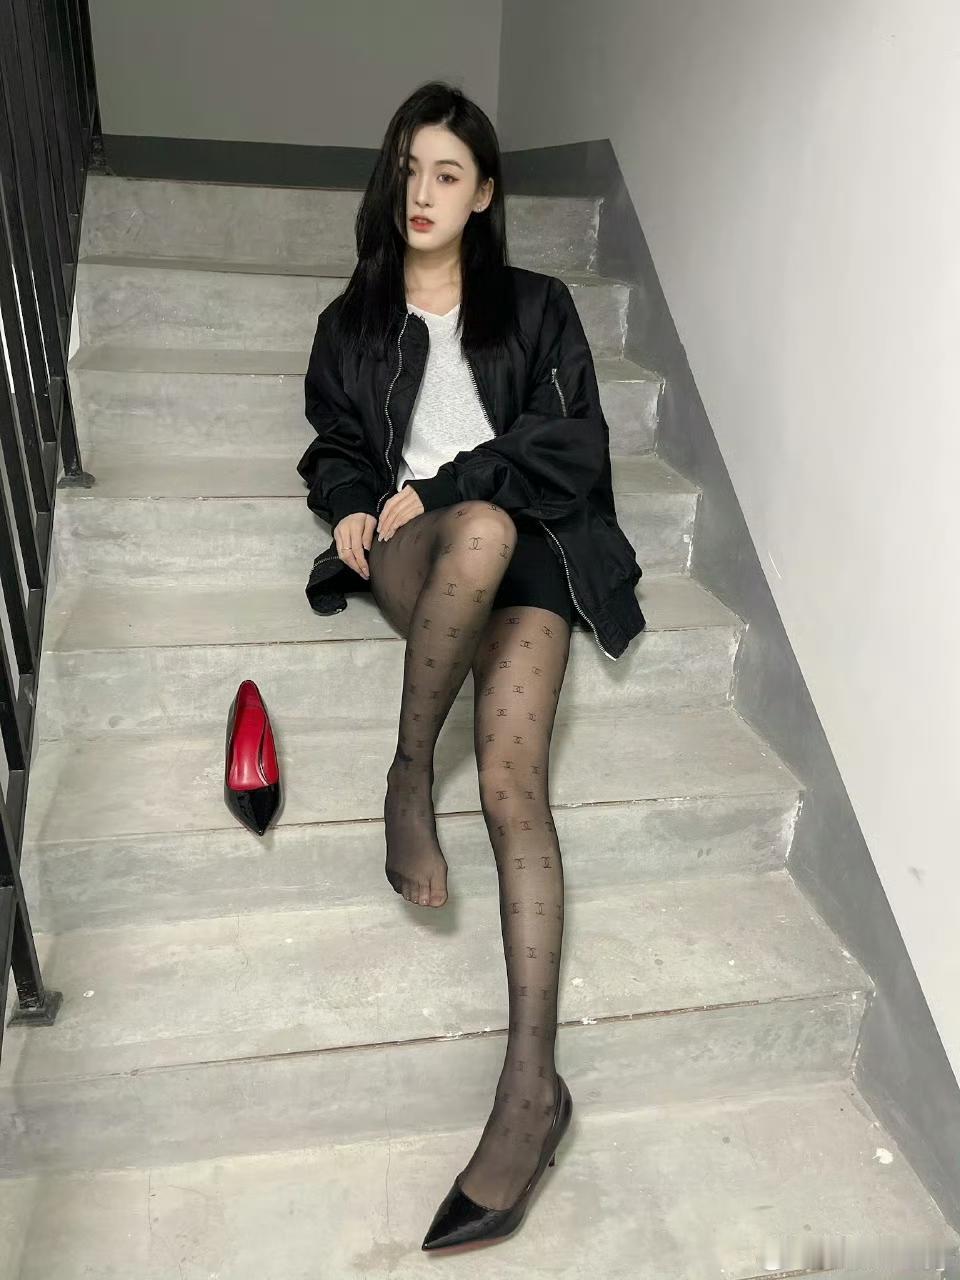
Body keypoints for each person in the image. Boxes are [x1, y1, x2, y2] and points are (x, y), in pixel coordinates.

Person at [297, 80, 645, 1252]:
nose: (423, 192)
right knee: (473, 533)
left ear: (485, 192)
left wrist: (451, 478)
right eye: (409, 169)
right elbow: (335, 442)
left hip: (525, 538)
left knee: (510, 784)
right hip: (421, 552)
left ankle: (531, 1093)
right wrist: (355, 499)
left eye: (447, 173)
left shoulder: (538, 308)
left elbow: (573, 447)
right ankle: (409, 773)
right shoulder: (352, 322)